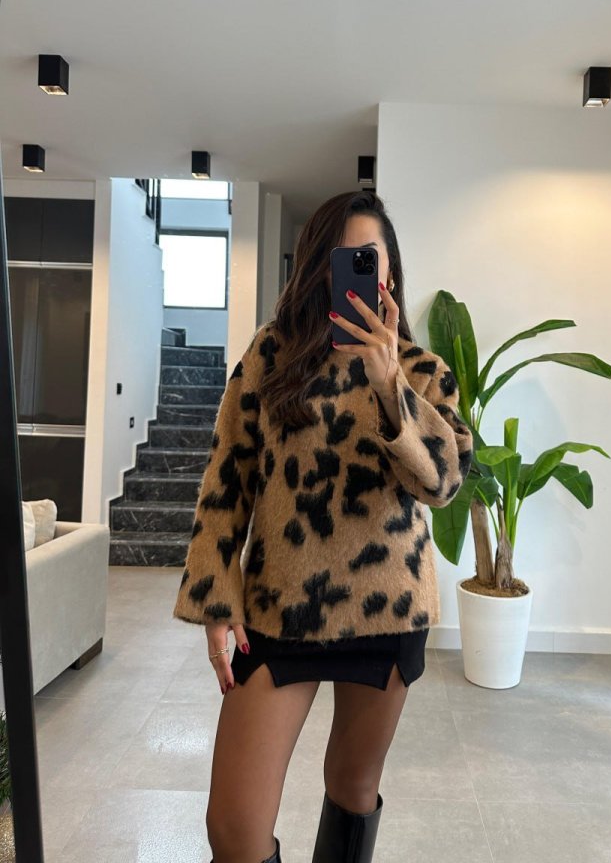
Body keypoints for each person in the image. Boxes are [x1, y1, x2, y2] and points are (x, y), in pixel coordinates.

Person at [172, 190, 474, 863]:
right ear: (318, 266)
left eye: (369, 256)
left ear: (389, 270)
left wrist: (389, 385)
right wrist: (215, 598)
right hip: (280, 610)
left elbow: (443, 484)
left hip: (387, 609)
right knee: (234, 828)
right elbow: (227, 478)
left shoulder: (422, 371)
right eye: (343, 257)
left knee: (352, 786)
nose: (358, 268)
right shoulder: (270, 354)